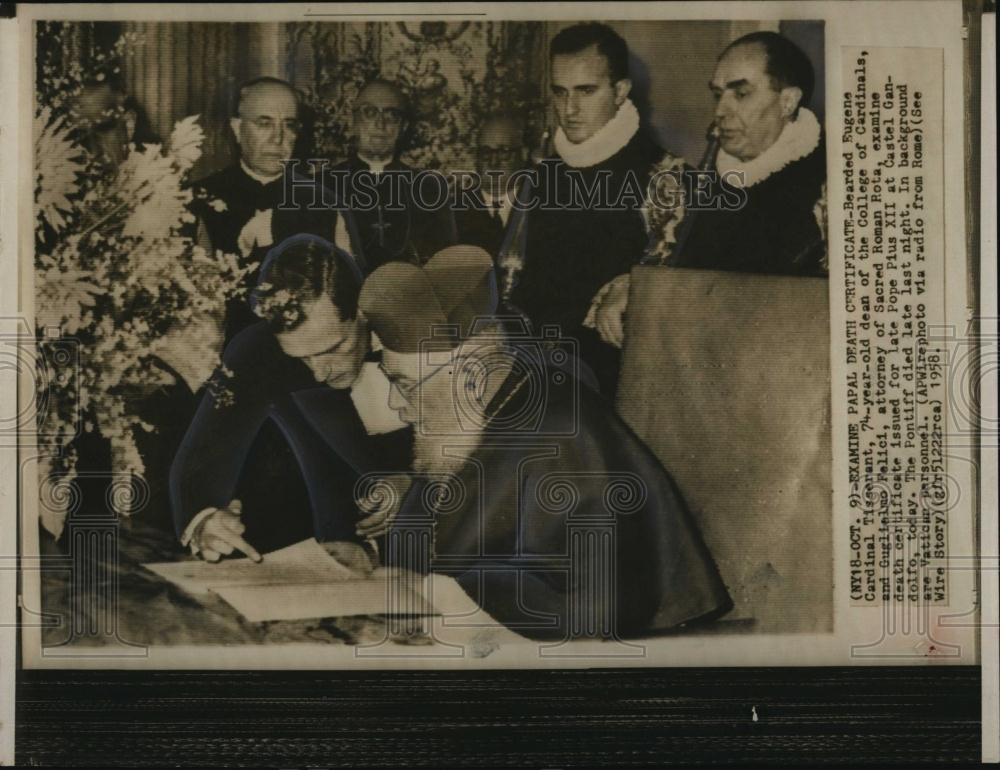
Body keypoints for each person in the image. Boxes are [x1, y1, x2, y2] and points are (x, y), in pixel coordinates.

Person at [357, 246, 732, 641]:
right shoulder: (469, 416)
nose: (395, 404)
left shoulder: (561, 433)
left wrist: (450, 596)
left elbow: (599, 600)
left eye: (403, 385)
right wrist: (373, 554)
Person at [170, 235, 411, 561]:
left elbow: (487, 463)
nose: (319, 374)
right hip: (328, 563)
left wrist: (418, 489)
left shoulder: (425, 333)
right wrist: (205, 520)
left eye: (333, 349)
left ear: (363, 312)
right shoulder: (260, 350)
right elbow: (203, 455)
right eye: (301, 357)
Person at [590, 31, 828, 349]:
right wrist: (632, 286)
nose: (720, 111)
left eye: (740, 94)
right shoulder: (696, 184)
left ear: (788, 101)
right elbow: (668, 267)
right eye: (718, 95)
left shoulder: (832, 188)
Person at [509, 23, 680, 399]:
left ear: (620, 92)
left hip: (617, 381)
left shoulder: (665, 178)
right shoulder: (541, 178)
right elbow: (511, 281)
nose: (569, 110)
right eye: (559, 92)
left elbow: (678, 294)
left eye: (586, 91)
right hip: (530, 366)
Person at [192, 77, 349, 343]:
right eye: (264, 123)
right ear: (237, 128)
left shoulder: (323, 200)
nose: (278, 138)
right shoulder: (199, 198)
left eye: (289, 125)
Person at [325, 79, 456, 271]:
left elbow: (446, 266)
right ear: (352, 122)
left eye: (392, 114)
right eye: (370, 112)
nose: (381, 124)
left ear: (403, 127)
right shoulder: (320, 187)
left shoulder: (429, 190)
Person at [452, 113, 532, 310]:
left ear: (523, 155)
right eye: (486, 153)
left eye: (504, 152)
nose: (494, 163)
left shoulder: (543, 209)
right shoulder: (450, 212)